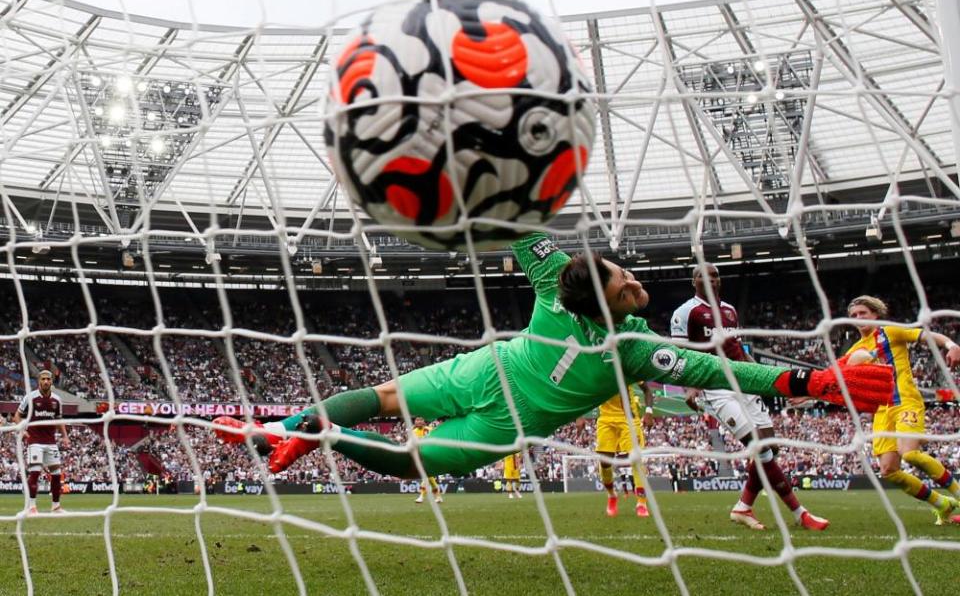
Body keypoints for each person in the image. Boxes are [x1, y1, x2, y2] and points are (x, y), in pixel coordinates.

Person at [212, 233, 893, 483]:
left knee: (400, 435)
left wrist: (812, 379)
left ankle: (305, 431)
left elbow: (525, 227)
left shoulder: (588, 305)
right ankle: (298, 431)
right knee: (396, 425)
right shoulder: (626, 339)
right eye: (622, 278)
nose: (631, 277)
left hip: (495, 397)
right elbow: (721, 368)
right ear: (605, 297)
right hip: (496, 396)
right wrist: (811, 379)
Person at [671, 263, 829, 531]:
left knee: (771, 446)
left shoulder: (730, 311)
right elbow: (680, 353)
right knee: (760, 447)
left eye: (715, 275)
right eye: (702, 276)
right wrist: (690, 387)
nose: (709, 279)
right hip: (714, 385)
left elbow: (737, 349)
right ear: (693, 282)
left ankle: (743, 506)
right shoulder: (686, 312)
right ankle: (800, 513)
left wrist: (758, 377)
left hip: (742, 380)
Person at [843, 295, 960, 525]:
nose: (858, 318)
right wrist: (806, 393)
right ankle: (942, 504)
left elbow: (924, 335)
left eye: (863, 313)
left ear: (875, 314)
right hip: (881, 411)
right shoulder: (854, 350)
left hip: (905, 401)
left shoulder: (891, 332)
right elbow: (837, 378)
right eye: (854, 316)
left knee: (909, 453)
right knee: (889, 470)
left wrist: (951, 344)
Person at [14, 370, 70, 515]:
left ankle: (56, 506)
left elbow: (59, 420)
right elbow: (17, 416)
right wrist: (23, 431)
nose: (46, 381)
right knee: (35, 473)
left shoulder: (57, 400)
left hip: (51, 442)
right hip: (35, 442)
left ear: (52, 381)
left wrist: (65, 436)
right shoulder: (30, 397)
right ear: (39, 381)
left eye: (48, 379)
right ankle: (31, 507)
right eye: (43, 379)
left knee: (57, 474)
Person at [594, 382, 653, 517]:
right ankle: (611, 495)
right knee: (604, 462)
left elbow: (647, 391)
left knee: (636, 460)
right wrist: (578, 416)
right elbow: (583, 393)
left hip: (628, 419)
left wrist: (649, 412)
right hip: (605, 419)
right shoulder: (597, 367)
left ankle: (641, 503)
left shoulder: (628, 366)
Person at [411, 417, 442, 504]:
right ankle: (438, 496)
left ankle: (421, 496)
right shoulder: (413, 432)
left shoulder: (430, 429)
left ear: (424, 421)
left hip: (431, 455)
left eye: (421, 419)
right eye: (417, 420)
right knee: (430, 478)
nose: (419, 421)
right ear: (415, 422)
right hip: (421, 456)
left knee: (426, 475)